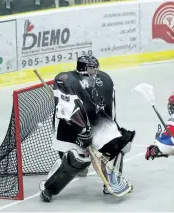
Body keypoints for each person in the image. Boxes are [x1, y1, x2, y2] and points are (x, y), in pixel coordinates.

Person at [40, 55, 136, 202]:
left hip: (96, 124)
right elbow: (67, 111)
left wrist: (111, 129)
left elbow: (109, 108)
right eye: (90, 68)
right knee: (77, 160)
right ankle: (49, 187)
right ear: (81, 68)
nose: (94, 71)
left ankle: (112, 181)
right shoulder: (66, 80)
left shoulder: (104, 80)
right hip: (68, 129)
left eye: (95, 67)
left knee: (120, 143)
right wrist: (82, 133)